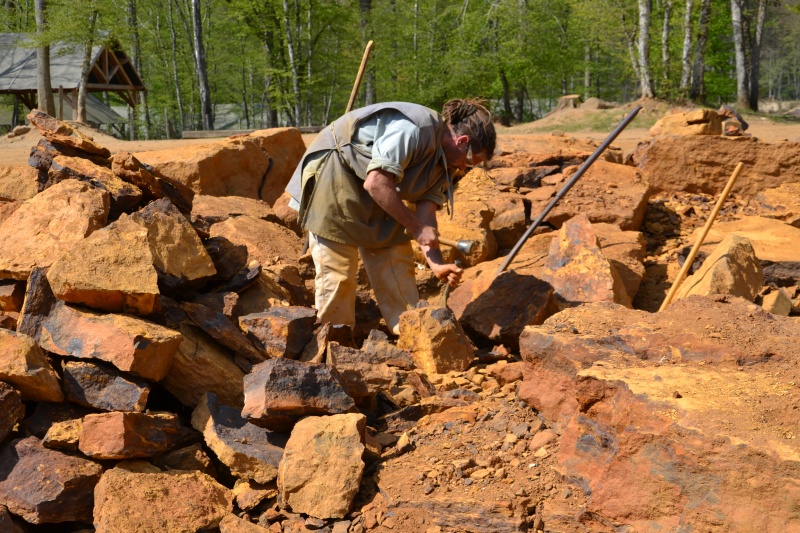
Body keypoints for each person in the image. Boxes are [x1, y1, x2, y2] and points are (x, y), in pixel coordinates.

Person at [285, 99, 496, 334]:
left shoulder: (446, 163)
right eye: (467, 162)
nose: (464, 169)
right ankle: (336, 341)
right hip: (337, 175)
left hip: (380, 191)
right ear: (462, 141)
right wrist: (415, 227)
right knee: (339, 273)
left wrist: (436, 264)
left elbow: (425, 216)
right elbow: (376, 183)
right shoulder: (414, 129)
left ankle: (411, 335)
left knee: (397, 264)